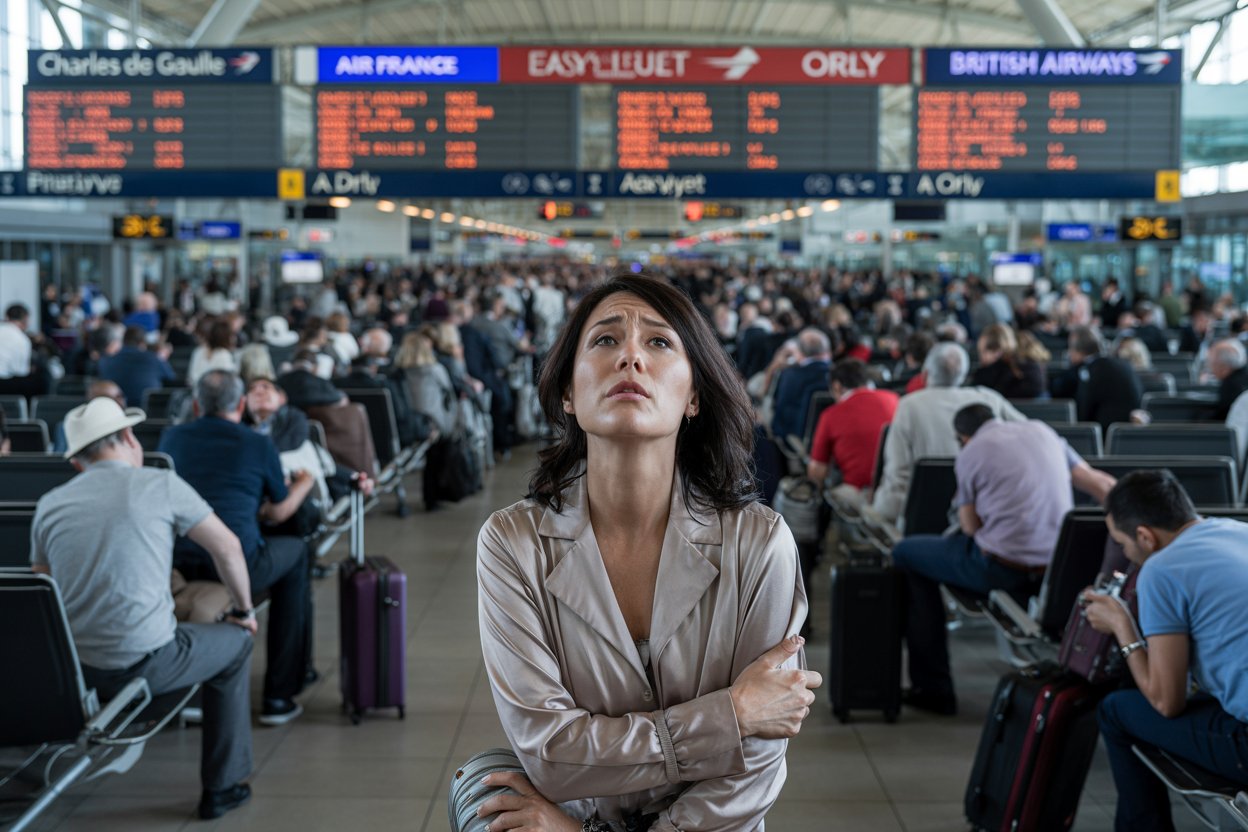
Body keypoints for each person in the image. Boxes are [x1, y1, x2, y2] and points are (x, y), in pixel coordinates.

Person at [470, 275, 820, 831]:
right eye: (605, 340)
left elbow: (756, 760)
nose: (630, 355)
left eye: (659, 342)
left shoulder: (758, 543)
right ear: (567, 391)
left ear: (694, 395)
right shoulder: (513, 544)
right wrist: (730, 715)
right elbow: (550, 755)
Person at [31, 397, 256, 820]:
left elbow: (43, 587)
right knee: (237, 643)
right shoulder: (160, 484)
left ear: (77, 462)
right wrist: (244, 611)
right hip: (146, 666)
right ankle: (222, 787)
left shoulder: (50, 504)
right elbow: (229, 547)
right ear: (130, 438)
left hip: (76, 673)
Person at [892, 404, 1116, 715]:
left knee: (906, 553)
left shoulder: (972, 452)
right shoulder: (1043, 431)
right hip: (1059, 572)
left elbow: (970, 527)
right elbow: (1103, 486)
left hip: (1000, 571)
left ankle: (933, 688)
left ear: (963, 437)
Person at [1084, 471, 1248, 832]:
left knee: (1115, 711)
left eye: (1123, 545)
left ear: (1144, 536)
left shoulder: (1161, 568)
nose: (1126, 555)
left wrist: (1122, 626)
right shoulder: (1238, 530)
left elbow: (1166, 702)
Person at [160, 371, 315, 725]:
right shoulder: (257, 444)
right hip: (239, 562)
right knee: (296, 554)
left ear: (196, 405)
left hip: (179, 558)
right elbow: (278, 511)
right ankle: (279, 694)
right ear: (242, 404)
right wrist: (304, 484)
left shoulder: (171, 438)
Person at [872, 342, 1027, 526]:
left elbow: (898, 474)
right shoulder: (989, 399)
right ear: (963, 373)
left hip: (922, 515)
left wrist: (879, 508)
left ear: (926, 374)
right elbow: (1029, 435)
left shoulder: (909, 406)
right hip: (985, 512)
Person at [806, 358, 898, 493]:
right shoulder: (894, 398)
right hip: (897, 489)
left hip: (859, 493)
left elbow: (817, 471)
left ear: (836, 386)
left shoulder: (831, 415)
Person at [1050, 326, 1143, 431]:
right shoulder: (1122, 365)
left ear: (1076, 350)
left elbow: (1083, 414)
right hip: (1128, 435)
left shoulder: (1087, 372)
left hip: (1100, 435)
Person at [770, 328, 832, 443]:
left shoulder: (789, 375)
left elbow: (778, 407)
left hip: (793, 437)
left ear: (799, 351)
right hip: (828, 438)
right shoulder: (836, 376)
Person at [394, 330, 458, 437]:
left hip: (410, 424)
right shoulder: (435, 370)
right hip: (435, 423)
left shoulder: (398, 374)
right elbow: (449, 392)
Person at [96, 325, 176, 408]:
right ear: (142, 344)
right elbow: (171, 378)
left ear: (123, 342)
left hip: (115, 411)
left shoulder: (105, 361)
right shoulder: (154, 358)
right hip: (151, 413)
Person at [970, 324, 1045, 399]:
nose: (981, 357)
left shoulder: (991, 374)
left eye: (983, 351)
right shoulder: (1029, 364)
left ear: (997, 351)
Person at [1206, 338, 1248, 420]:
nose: (1211, 369)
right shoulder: (1242, 376)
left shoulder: (1231, 385)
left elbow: (1221, 416)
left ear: (1223, 367)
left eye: (1213, 364)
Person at [187, 318, 238, 386]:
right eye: (232, 335)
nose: (234, 338)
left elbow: (191, 378)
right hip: (214, 393)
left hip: (197, 392)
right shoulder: (224, 355)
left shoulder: (198, 351)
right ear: (227, 337)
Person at [0, 303, 33, 380]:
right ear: (26, 319)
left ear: (6, 317)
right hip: (4, 383)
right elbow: (21, 372)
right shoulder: (22, 339)